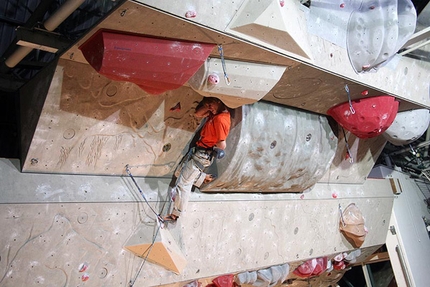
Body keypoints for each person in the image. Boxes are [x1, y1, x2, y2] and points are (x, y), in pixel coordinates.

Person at [164, 97, 231, 222]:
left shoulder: (221, 120)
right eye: (208, 104)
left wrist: (211, 149)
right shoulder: (215, 112)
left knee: (183, 184)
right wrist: (208, 106)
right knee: (179, 173)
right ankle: (201, 178)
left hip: (203, 154)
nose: (209, 107)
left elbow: (222, 145)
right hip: (198, 151)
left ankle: (175, 215)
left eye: (211, 104)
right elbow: (197, 114)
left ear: (219, 101)